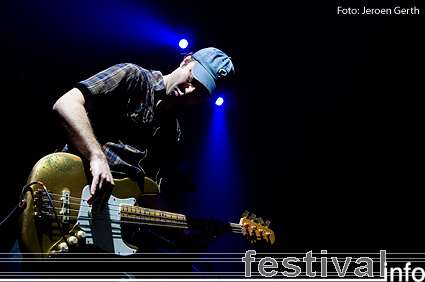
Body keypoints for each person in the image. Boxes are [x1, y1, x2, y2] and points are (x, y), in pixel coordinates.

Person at [52, 47, 235, 250]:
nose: (189, 91)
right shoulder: (133, 76)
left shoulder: (172, 132)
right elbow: (67, 103)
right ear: (186, 61)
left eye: (200, 94)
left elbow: (147, 192)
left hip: (100, 229)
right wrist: (97, 156)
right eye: (192, 80)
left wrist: (183, 235)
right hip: (66, 194)